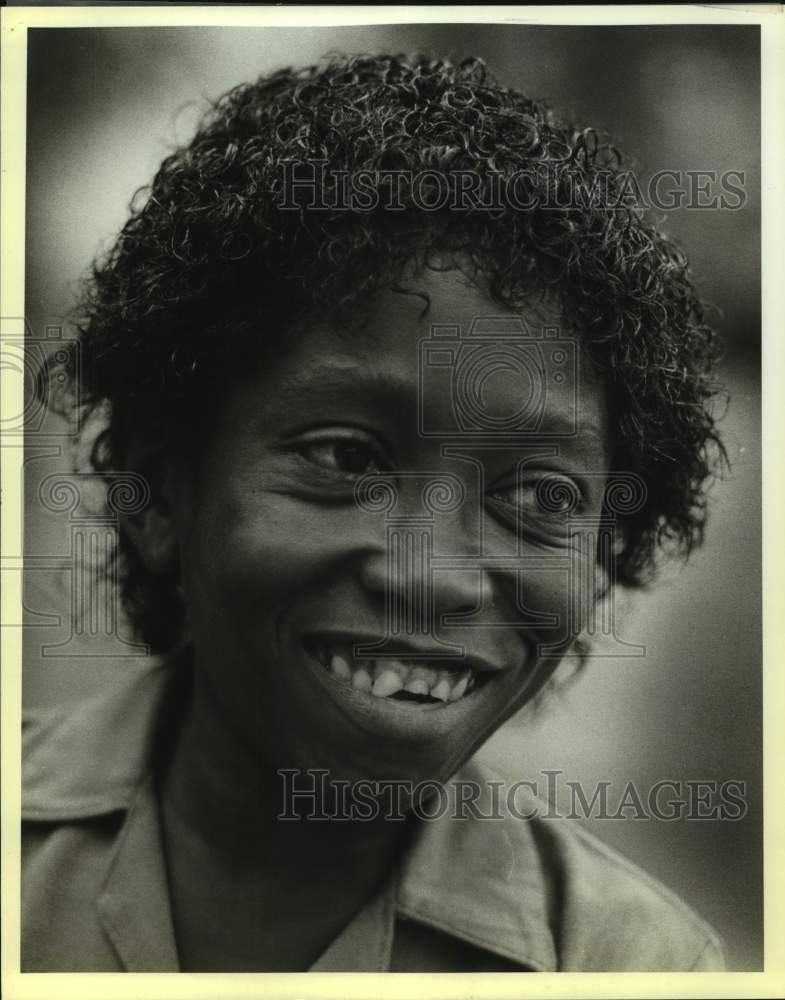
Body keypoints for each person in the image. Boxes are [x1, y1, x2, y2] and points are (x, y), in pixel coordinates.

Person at [22, 53, 726, 972]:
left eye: (540, 498)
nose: (429, 576)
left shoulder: (637, 967)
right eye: (344, 458)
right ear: (160, 488)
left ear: (602, 557)